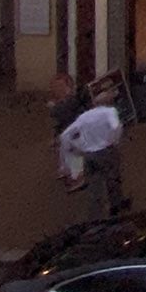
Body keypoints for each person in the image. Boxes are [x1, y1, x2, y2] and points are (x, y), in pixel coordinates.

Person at [59, 90, 128, 219]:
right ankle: (116, 209)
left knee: (94, 186)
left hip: (89, 155)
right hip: (106, 151)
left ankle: (95, 216)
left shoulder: (84, 116)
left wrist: (76, 148)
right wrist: (114, 141)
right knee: (113, 179)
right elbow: (116, 127)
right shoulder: (110, 112)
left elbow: (65, 135)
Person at [48, 75, 88, 190]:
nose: (55, 90)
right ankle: (65, 169)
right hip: (69, 131)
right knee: (62, 147)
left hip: (79, 133)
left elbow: (64, 114)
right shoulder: (65, 100)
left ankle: (79, 176)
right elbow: (60, 122)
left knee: (72, 147)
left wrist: (55, 107)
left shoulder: (73, 100)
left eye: (59, 87)